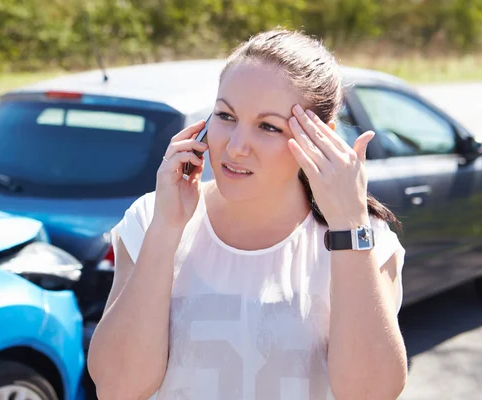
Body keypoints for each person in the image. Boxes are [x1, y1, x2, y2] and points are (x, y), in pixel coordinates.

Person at [88, 28, 408, 400]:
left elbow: (370, 394)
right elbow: (117, 388)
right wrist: (166, 228)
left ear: (321, 136)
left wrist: (349, 227)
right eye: (225, 115)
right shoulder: (151, 218)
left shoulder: (363, 236)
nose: (236, 147)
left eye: (268, 126)